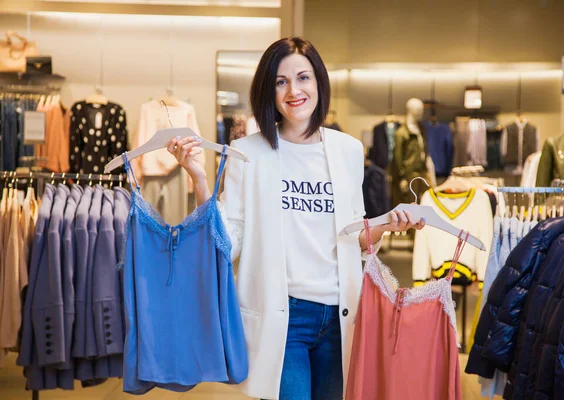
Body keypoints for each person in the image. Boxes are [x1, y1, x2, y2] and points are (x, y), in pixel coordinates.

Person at [167, 37, 425, 400]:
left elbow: (354, 235)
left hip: (340, 313)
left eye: (303, 78)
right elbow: (227, 240)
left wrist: (386, 224)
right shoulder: (246, 153)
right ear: (268, 91)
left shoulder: (347, 150)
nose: (294, 90)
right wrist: (199, 178)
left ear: (319, 82)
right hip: (282, 316)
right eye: (281, 81)